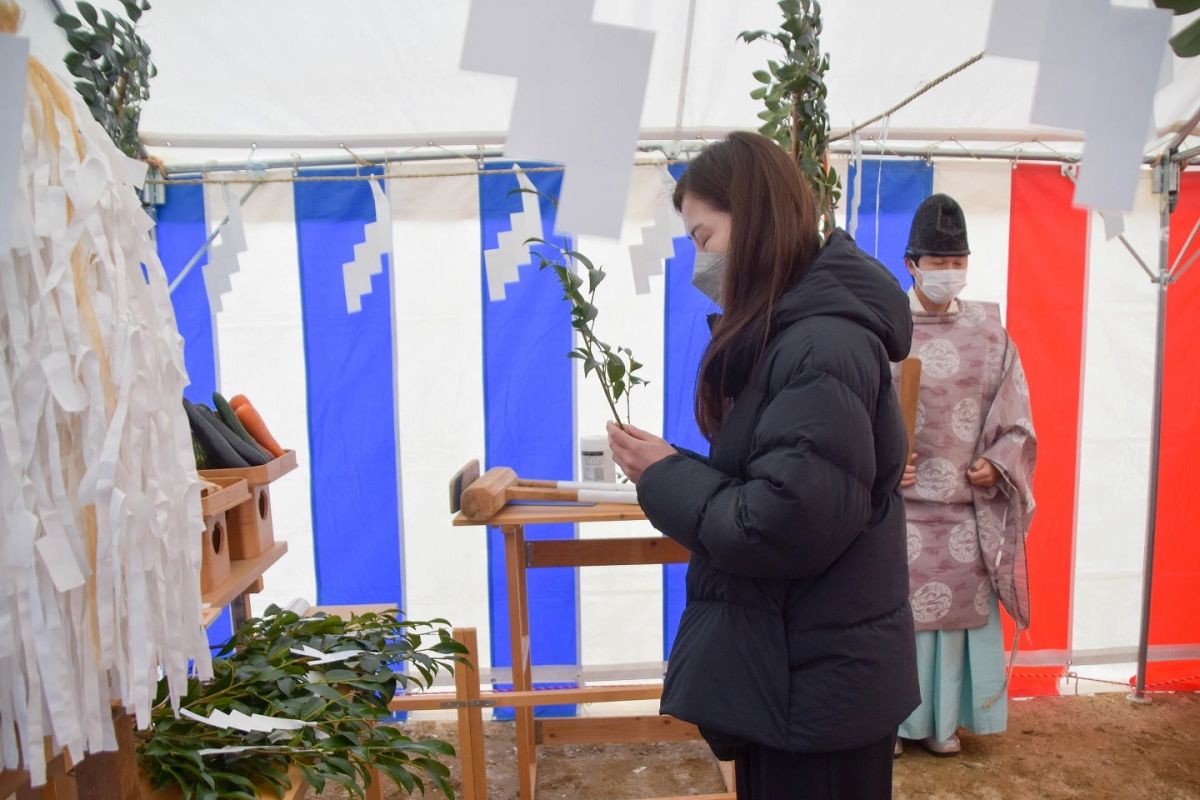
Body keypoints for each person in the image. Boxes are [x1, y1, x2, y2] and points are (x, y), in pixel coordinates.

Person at [607, 131, 919, 799]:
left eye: (703, 235)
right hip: (799, 679)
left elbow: (784, 522)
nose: (701, 259)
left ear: (751, 219)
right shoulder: (802, 333)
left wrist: (665, 476)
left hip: (812, 689)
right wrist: (673, 467)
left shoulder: (822, 343)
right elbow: (786, 482)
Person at [894, 193, 1037, 757]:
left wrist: (997, 461)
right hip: (897, 506)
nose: (950, 273)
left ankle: (945, 723)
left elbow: (1018, 416)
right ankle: (894, 724)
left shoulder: (990, 334)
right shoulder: (882, 328)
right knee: (896, 619)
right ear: (912, 264)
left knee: (954, 621)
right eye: (939, 262)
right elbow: (851, 410)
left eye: (959, 263)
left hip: (965, 506)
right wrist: (882, 458)